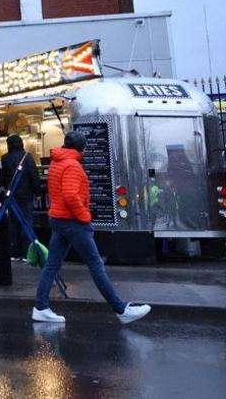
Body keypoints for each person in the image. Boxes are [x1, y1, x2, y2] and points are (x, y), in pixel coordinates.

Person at [33, 131, 151, 324]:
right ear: (80, 148)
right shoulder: (72, 165)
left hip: (58, 219)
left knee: (52, 265)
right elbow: (71, 195)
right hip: (73, 222)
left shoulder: (57, 162)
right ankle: (121, 310)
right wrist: (85, 217)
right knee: (96, 265)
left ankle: (41, 307)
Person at [2, 134, 39, 258]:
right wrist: (37, 192)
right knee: (26, 223)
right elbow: (34, 175)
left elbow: (2, 177)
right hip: (26, 195)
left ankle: (13, 252)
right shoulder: (27, 157)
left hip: (11, 197)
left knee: (13, 224)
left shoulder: (4, 158)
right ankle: (26, 253)